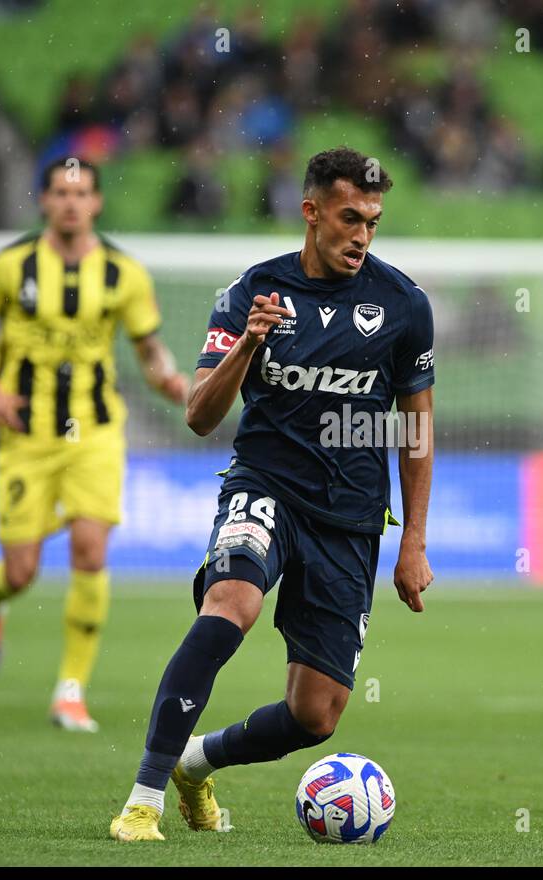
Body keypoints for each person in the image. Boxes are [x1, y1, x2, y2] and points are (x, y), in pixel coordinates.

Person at [110, 146, 435, 842]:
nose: (362, 235)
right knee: (232, 604)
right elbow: (199, 414)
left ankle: (194, 765)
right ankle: (143, 798)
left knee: (315, 716)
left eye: (373, 221)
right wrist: (247, 347)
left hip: (349, 518)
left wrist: (412, 539)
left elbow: (416, 428)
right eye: (350, 218)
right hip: (265, 488)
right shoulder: (252, 293)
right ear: (311, 212)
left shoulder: (403, 306)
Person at [0, 157, 188, 732]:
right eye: (60, 192)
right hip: (26, 436)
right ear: (43, 201)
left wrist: (170, 379)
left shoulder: (123, 274)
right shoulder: (10, 267)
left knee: (90, 550)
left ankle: (70, 691)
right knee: (22, 570)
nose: (71, 202)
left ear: (97, 203)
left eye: (81, 193)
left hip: (96, 432)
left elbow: (148, 348)